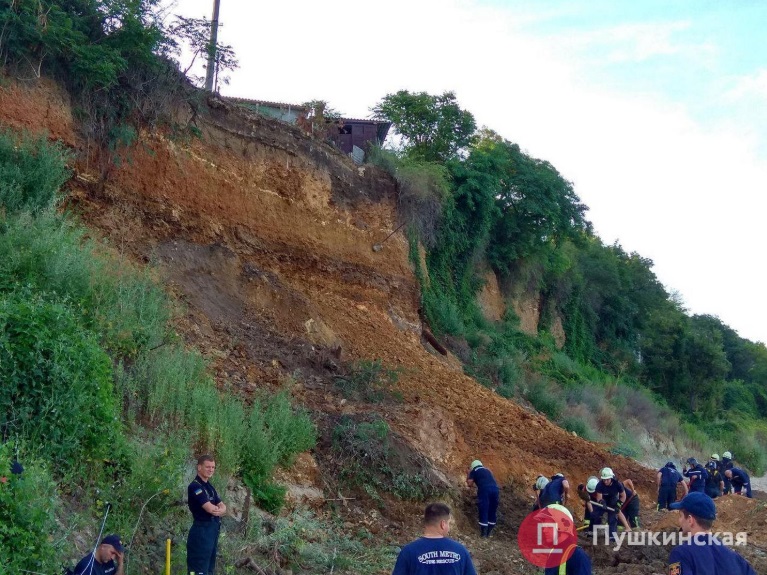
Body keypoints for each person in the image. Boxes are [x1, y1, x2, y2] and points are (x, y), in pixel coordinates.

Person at [668, 492, 756, 574]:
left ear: (690, 520)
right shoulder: (736, 558)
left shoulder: (680, 554)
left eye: (681, 516)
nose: (679, 520)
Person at [391, 502, 477, 575]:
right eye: (448, 523)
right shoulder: (461, 551)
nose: (449, 527)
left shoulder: (408, 552)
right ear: (443, 524)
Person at [187, 454, 227, 575]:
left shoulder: (210, 487)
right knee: (199, 568)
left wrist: (221, 509)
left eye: (213, 467)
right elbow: (209, 508)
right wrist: (218, 510)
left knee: (209, 568)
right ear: (199, 467)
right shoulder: (195, 486)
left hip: (212, 531)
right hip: (201, 531)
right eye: (208, 467)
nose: (211, 470)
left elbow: (223, 507)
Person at [540, 504, 592, 575]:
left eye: (549, 527)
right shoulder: (553, 553)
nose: (544, 530)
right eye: (544, 527)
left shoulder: (578, 556)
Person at [594, 467, 630, 540]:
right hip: (604, 499)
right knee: (596, 514)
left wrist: (618, 505)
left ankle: (612, 536)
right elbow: (599, 498)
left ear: (611, 478)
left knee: (612, 518)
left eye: (607, 479)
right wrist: (602, 502)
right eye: (604, 479)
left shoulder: (617, 484)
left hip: (613, 498)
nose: (606, 481)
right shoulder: (600, 485)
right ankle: (593, 532)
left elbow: (623, 496)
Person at [466, 460, 499, 537]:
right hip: (495, 490)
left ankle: (483, 534)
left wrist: (468, 474)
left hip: (484, 490)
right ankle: (489, 532)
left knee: (484, 508)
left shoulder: (474, 471)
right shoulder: (487, 470)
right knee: (492, 509)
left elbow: (469, 483)